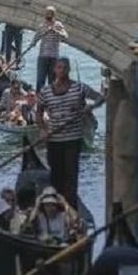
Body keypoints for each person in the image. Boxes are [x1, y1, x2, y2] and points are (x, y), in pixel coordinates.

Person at [36, 58, 92, 209]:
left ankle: (71, 210)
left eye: (64, 68)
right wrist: (42, 129)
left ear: (68, 70)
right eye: (59, 68)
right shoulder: (46, 91)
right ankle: (58, 208)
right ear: (54, 70)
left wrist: (87, 109)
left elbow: (99, 97)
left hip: (73, 139)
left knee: (71, 176)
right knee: (56, 176)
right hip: (54, 139)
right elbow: (39, 112)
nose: (61, 71)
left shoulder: (79, 88)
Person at [34, 6, 68, 92]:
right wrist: (32, 43)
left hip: (54, 57)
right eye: (47, 13)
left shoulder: (58, 25)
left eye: (50, 13)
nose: (48, 15)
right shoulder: (41, 26)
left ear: (54, 15)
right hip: (43, 56)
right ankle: (39, 98)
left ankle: (51, 98)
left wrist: (56, 31)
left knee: (52, 80)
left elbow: (65, 37)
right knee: (40, 79)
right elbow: (35, 38)